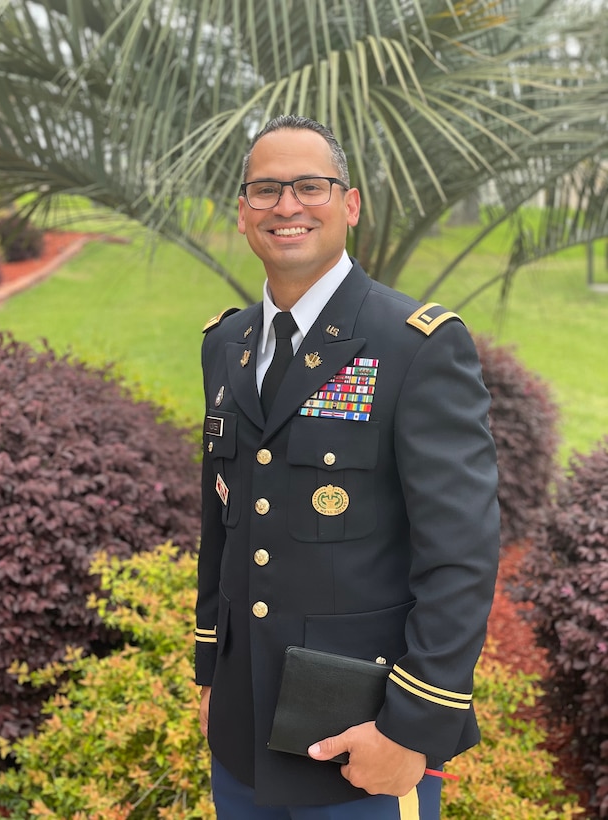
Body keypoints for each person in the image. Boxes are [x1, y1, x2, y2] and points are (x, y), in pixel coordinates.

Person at [195, 115, 500, 820]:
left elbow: (459, 556)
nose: (287, 206)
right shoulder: (227, 343)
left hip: (360, 744)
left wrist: (411, 727)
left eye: (310, 186)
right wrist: (210, 670)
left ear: (349, 204)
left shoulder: (415, 346)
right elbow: (222, 524)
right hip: (241, 734)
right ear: (243, 212)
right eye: (265, 190)